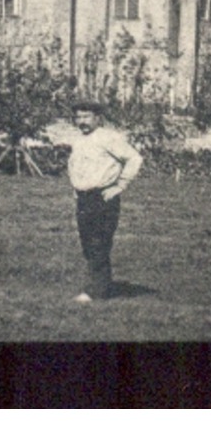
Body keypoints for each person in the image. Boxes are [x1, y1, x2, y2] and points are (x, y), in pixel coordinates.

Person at [66, 98, 143, 303]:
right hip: (83, 199)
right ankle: (102, 286)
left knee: (99, 243)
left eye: (86, 116)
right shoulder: (79, 140)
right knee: (87, 245)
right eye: (78, 117)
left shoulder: (109, 138)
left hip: (103, 197)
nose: (82, 121)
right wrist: (77, 189)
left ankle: (96, 292)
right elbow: (76, 167)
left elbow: (134, 158)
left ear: (98, 118)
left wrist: (120, 185)